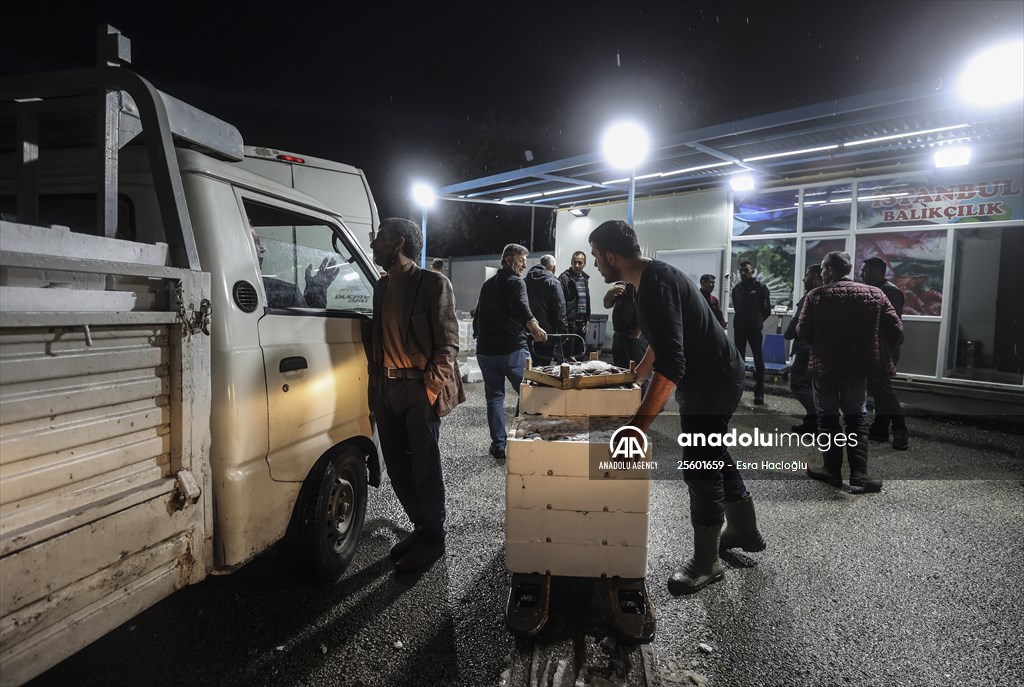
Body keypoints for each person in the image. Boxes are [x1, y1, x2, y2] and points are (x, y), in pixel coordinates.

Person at [589, 220, 765, 596]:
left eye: (595, 257)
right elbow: (665, 341)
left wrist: (636, 428)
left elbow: (674, 363)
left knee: (699, 463)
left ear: (610, 256)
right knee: (712, 451)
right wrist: (637, 375)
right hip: (712, 375)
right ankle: (744, 530)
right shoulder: (648, 280)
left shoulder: (655, 284)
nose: (594, 265)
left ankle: (707, 562)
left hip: (713, 380)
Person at [367, 218, 465, 573]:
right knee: (396, 467)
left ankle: (434, 539)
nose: (374, 243)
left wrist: (429, 389)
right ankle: (421, 528)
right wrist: (374, 394)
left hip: (416, 389)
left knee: (424, 468)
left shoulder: (432, 283)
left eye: (380, 237)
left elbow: (448, 343)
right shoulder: (381, 286)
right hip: (386, 388)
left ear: (399, 243)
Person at [797, 251, 902, 493]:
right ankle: (859, 474)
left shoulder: (816, 296)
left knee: (828, 417)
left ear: (830, 270)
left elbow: (803, 331)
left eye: (823, 269)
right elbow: (895, 328)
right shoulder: (875, 293)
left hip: (826, 367)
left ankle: (831, 471)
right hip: (858, 368)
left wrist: (823, 346)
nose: (821, 274)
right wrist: (876, 350)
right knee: (856, 417)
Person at [474, 244, 548, 461]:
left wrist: (480, 338)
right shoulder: (517, 283)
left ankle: (498, 445)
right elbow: (522, 306)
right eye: (520, 260)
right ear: (507, 260)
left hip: (486, 352)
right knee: (530, 393)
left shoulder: (488, 285)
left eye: (525, 260)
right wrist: (535, 327)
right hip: (512, 351)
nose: (524, 264)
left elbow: (479, 314)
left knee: (495, 398)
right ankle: (520, 440)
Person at [861, 256, 909, 450]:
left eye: (865, 270)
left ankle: (900, 430)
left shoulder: (890, 291)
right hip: (875, 347)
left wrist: (886, 348)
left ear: (876, 271)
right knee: (880, 391)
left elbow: (894, 325)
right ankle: (880, 429)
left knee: (884, 390)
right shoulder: (873, 290)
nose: (862, 274)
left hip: (885, 348)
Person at [785, 265, 824, 434]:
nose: (803, 279)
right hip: (819, 349)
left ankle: (816, 419)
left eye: (806, 274)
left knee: (799, 384)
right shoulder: (829, 295)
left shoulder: (810, 297)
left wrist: (788, 334)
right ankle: (811, 422)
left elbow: (797, 324)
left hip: (805, 349)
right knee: (812, 386)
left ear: (816, 276)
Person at [731, 261, 772, 405]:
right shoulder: (736, 289)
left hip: (754, 329)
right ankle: (737, 392)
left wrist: (757, 321)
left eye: (746, 270)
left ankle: (759, 394)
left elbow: (767, 311)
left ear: (752, 271)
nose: (743, 273)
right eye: (741, 270)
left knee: (758, 359)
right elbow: (737, 307)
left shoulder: (760, 288)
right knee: (739, 360)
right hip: (740, 328)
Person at [525, 255, 568, 365]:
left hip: (528, 332)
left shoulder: (525, 280)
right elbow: (560, 310)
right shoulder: (553, 282)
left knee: (529, 366)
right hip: (546, 335)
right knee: (543, 370)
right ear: (553, 268)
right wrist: (563, 334)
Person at [604, 280, 649, 380]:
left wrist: (636, 334)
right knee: (620, 371)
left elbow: (647, 313)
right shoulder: (620, 285)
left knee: (638, 374)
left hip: (635, 338)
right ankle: (625, 394)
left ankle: (641, 395)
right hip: (618, 336)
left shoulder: (641, 285)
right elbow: (607, 305)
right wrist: (610, 293)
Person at [559, 251, 591, 359]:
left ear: (584, 264)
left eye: (580, 263)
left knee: (580, 354)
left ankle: (578, 375)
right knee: (568, 356)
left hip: (582, 324)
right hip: (570, 323)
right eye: (574, 262)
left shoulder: (585, 279)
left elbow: (586, 299)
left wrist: (587, 319)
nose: (577, 265)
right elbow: (560, 302)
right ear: (571, 262)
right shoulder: (564, 278)